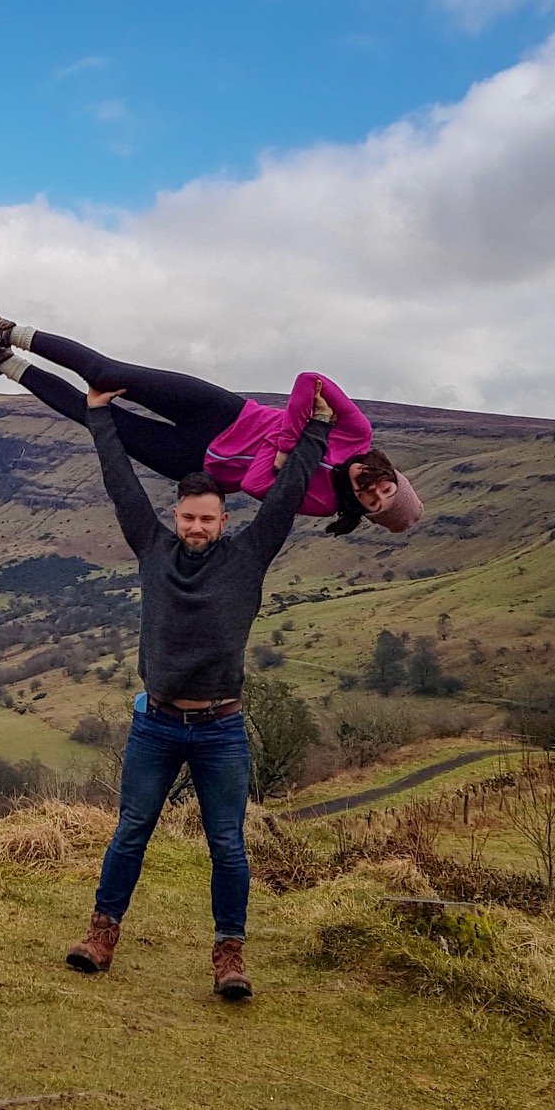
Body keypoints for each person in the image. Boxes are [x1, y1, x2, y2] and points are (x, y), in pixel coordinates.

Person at [64, 382, 332, 998]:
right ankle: (101, 936)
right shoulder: (151, 545)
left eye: (206, 518)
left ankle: (229, 957)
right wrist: (101, 414)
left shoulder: (248, 556)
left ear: (223, 519)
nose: (195, 527)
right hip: (155, 723)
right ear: (176, 517)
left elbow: (287, 496)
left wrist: (316, 430)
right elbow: (121, 483)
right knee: (131, 828)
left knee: (228, 845)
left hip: (220, 728)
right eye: (187, 517)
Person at [0, 310, 420, 535]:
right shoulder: (356, 433)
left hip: (196, 464)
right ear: (392, 475)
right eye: (386, 489)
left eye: (375, 505)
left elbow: (253, 485)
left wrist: (279, 451)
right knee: (110, 374)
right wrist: (287, 447)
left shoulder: (321, 502)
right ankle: (6, 331)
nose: (374, 493)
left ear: (363, 510)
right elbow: (308, 379)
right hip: (224, 413)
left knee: (95, 415)